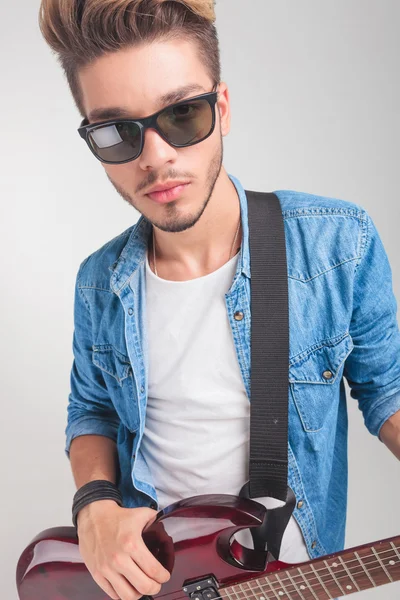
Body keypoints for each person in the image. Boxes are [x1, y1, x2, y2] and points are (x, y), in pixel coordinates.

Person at [38, 1, 400, 599]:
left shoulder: (337, 243)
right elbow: (92, 409)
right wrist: (94, 504)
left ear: (222, 108)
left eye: (182, 114)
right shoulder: (98, 282)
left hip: (297, 579)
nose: (155, 158)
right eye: (115, 132)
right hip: (157, 583)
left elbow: (387, 389)